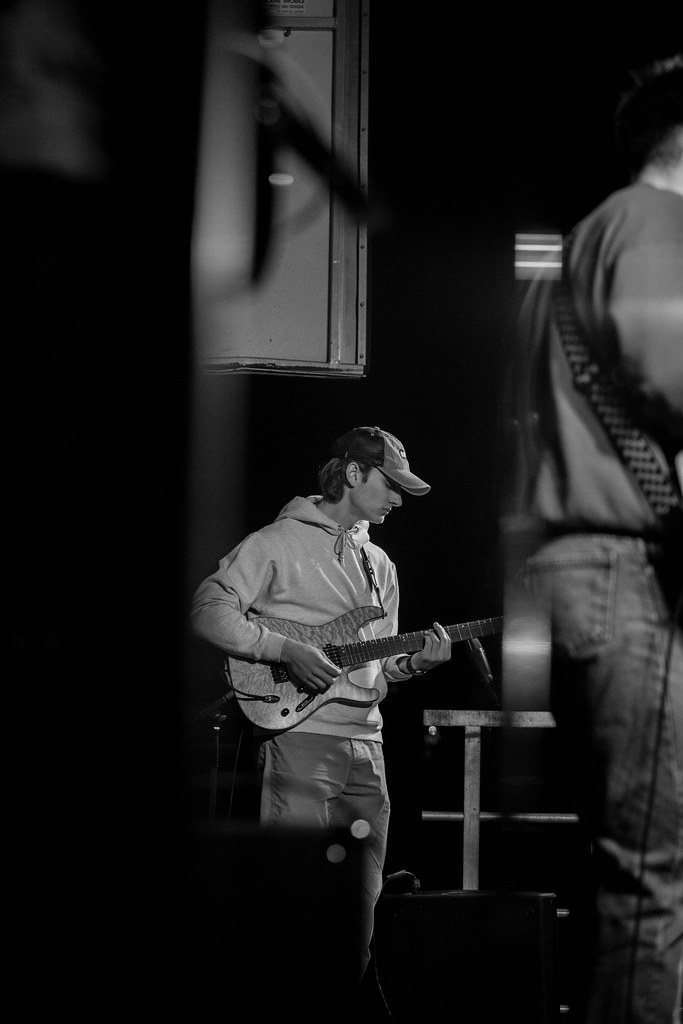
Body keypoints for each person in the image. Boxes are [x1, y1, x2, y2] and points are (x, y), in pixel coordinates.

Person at [502, 55, 683, 1023]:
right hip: (622, 569)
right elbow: (672, 380)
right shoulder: (653, 224)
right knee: (650, 875)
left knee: (627, 862)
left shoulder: (586, 238)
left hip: (581, 568)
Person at [190, 425, 452, 987]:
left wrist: (417, 664)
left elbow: (377, 668)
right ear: (354, 474)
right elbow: (208, 608)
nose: (397, 498)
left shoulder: (380, 564)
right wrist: (281, 647)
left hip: (370, 744)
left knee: (362, 905)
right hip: (301, 738)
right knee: (293, 896)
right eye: (390, 484)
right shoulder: (276, 542)